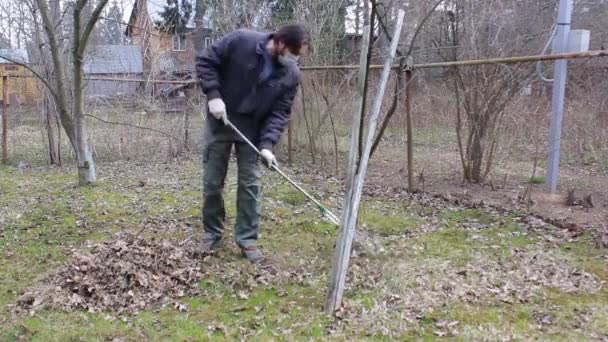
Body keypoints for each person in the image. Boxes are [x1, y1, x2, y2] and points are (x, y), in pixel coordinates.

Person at [196, 24, 309, 263]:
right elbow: (206, 61)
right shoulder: (241, 41)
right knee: (213, 181)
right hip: (221, 119)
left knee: (250, 184)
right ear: (279, 43)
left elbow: (280, 112)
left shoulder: (291, 74)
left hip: (253, 130)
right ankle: (212, 234)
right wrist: (214, 95)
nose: (293, 59)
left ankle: (247, 239)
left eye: (297, 56)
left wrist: (267, 145)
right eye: (292, 53)